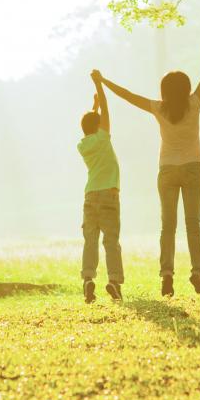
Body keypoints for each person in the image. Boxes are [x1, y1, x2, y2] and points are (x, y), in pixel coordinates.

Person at [94, 30, 200, 297]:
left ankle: (166, 275)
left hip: (167, 171)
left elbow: (128, 96)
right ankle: (197, 274)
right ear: (187, 88)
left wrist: (103, 82)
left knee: (168, 226)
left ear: (164, 91)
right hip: (193, 168)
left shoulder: (158, 108)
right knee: (193, 224)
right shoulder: (195, 103)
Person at [77, 74, 123, 303]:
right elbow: (106, 110)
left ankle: (88, 279)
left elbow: (90, 124)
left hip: (90, 195)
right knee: (111, 241)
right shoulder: (104, 138)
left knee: (90, 240)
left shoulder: (83, 145)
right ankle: (114, 281)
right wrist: (99, 84)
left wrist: (92, 107)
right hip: (108, 195)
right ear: (99, 126)